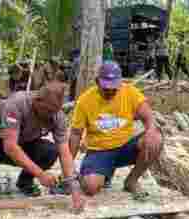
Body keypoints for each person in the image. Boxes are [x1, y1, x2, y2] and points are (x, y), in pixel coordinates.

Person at [0, 80, 84, 210]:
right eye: (48, 111)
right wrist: (41, 174)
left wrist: (74, 188)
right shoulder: (16, 103)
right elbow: (10, 147)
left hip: (27, 144)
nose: (51, 115)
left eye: (55, 111)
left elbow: (65, 152)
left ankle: (25, 181)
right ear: (37, 101)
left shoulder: (57, 116)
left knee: (51, 151)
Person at [68, 61, 163, 198]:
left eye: (114, 88)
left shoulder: (129, 92)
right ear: (97, 82)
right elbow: (76, 134)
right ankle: (97, 173)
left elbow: (148, 116)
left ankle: (131, 181)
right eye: (106, 89)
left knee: (156, 139)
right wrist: (68, 167)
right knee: (90, 187)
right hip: (99, 150)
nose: (111, 92)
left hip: (125, 147)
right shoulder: (85, 100)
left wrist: (150, 131)